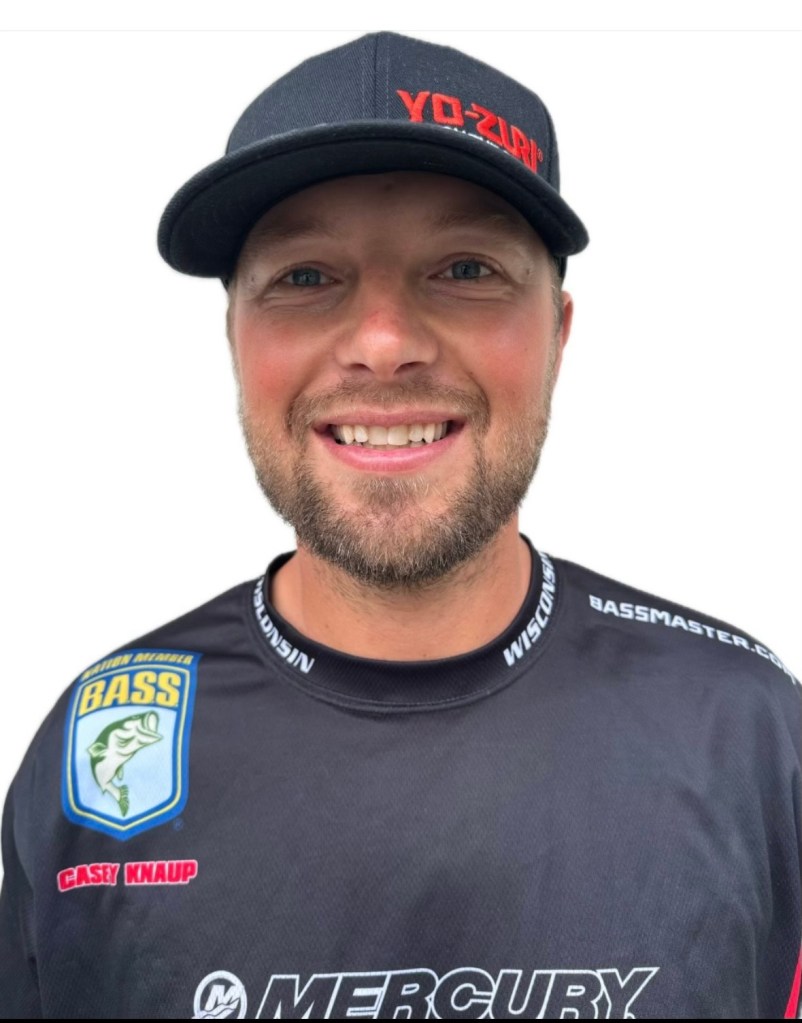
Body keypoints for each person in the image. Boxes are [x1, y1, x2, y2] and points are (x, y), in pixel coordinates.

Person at [1, 31, 799, 1020]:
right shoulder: (98, 753)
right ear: (234, 339)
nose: (382, 343)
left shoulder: (749, 735)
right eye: (304, 277)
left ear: (557, 333)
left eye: (465, 267)